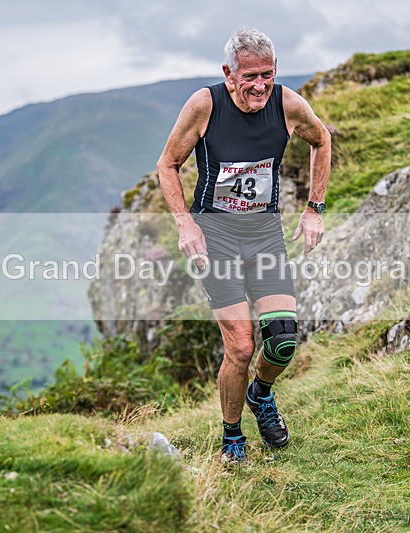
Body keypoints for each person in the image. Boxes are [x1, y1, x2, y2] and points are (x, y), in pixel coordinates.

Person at [156, 27, 331, 464]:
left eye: (267, 75)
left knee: (283, 340)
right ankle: (232, 434)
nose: (259, 85)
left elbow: (322, 139)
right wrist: (185, 225)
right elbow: (167, 164)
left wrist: (314, 208)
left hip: (264, 234)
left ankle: (261, 393)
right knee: (241, 346)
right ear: (229, 74)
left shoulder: (288, 104)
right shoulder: (204, 105)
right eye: (249, 76)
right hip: (215, 235)